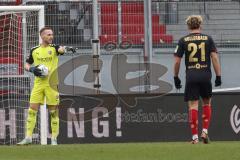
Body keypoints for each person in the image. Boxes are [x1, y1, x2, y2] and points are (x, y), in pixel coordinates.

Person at [17, 27, 74, 145]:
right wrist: (32, 69)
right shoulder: (34, 50)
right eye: (48, 34)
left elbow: (61, 50)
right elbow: (26, 65)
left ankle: (54, 139)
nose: (51, 36)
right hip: (38, 84)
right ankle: (28, 137)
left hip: (52, 85)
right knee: (32, 110)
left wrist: (66, 49)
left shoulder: (54, 48)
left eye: (52, 34)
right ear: (42, 36)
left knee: (53, 112)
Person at [173, 15, 222, 144]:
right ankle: (205, 131)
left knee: (193, 106)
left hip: (191, 75)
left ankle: (195, 138)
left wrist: (175, 77)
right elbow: (215, 58)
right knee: (207, 103)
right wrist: (218, 75)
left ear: (188, 26)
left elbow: (177, 62)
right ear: (200, 25)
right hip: (205, 74)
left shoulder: (183, 40)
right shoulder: (208, 39)